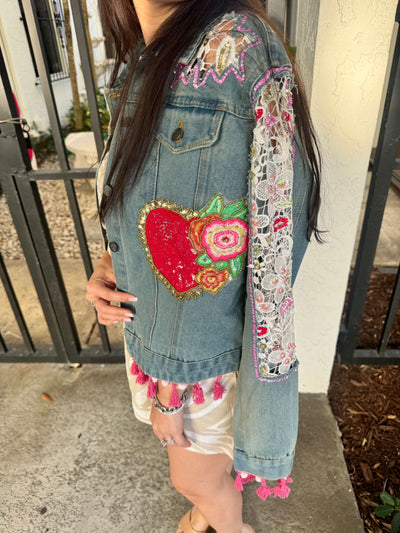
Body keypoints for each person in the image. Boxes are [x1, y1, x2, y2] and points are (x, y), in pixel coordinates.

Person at [85, 1, 325, 532]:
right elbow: (154, 201)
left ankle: (231, 527)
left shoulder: (235, 49)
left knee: (193, 478)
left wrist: (171, 391)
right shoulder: (146, 53)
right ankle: (207, 514)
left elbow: (262, 244)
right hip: (157, 334)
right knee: (203, 472)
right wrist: (111, 260)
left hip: (192, 360)